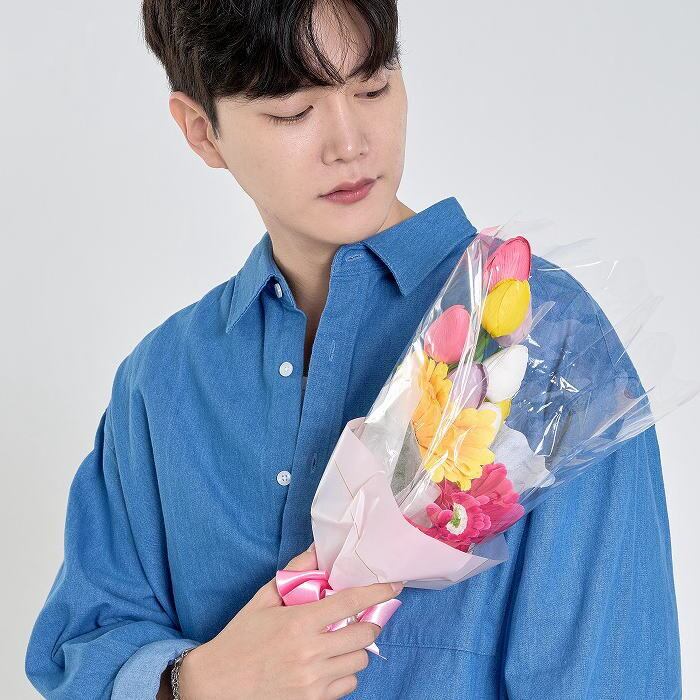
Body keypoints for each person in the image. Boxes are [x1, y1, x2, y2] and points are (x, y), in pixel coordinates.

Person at [25, 1, 682, 698]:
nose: (350, 143)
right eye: (292, 111)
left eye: (373, 86)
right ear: (201, 131)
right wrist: (199, 680)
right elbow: (82, 647)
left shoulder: (535, 336)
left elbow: (612, 675)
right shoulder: (162, 380)